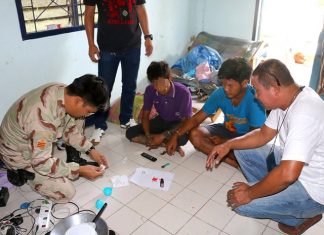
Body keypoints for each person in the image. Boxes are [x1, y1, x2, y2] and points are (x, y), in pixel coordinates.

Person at [206, 59, 324, 235]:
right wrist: (228, 144)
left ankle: (304, 216)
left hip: (313, 189)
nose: (255, 96)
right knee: (240, 148)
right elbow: (262, 134)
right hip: (294, 170)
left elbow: (287, 174)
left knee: (240, 205)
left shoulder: (305, 113)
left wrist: (250, 193)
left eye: (258, 91)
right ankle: (268, 190)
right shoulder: (286, 99)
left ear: (275, 89)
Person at [0, 74, 110, 203]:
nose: (88, 115)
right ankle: (18, 171)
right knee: (66, 193)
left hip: (30, 139)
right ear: (78, 101)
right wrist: (78, 170)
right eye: (89, 111)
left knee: (79, 120)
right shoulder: (41, 122)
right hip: (17, 154)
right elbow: (41, 163)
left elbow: (69, 129)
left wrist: (91, 150)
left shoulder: (63, 91)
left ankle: (72, 159)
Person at [166, 57, 266, 166]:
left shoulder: (256, 101)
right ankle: (232, 161)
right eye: (223, 84)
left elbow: (255, 137)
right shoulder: (220, 93)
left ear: (244, 83)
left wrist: (224, 141)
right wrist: (176, 135)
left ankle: (228, 155)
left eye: (230, 85)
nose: (226, 89)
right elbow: (196, 119)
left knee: (251, 153)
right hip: (226, 130)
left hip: (247, 138)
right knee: (194, 134)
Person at [84, 0, 153, 144]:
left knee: (130, 85)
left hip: (133, 45)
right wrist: (91, 44)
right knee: (103, 88)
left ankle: (126, 119)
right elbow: (89, 14)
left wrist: (148, 37)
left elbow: (140, 8)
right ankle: (99, 125)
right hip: (108, 47)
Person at [126, 61, 192, 156]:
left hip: (177, 123)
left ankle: (165, 141)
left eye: (160, 81)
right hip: (161, 120)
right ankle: (165, 143)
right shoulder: (150, 90)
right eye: (153, 82)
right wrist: (148, 136)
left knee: (183, 139)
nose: (157, 86)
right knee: (130, 132)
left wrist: (163, 135)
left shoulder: (183, 92)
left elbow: (186, 121)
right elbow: (145, 116)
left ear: (169, 78)